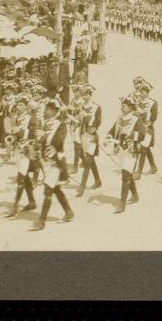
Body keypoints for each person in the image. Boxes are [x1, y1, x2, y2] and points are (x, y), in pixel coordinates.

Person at [31, 99, 75, 231]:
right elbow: (40, 142)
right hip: (46, 162)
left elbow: (59, 141)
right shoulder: (44, 124)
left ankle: (41, 220)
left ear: (55, 111)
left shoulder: (60, 125)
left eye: (49, 109)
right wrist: (37, 141)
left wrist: (44, 136)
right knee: (56, 188)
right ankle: (69, 212)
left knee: (48, 189)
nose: (46, 111)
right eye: (46, 108)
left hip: (57, 161)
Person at [110, 97, 142, 214]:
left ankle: (121, 204)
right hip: (121, 151)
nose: (121, 107)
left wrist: (129, 132)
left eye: (124, 106)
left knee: (125, 175)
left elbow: (142, 135)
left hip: (131, 151)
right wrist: (108, 138)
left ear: (130, 107)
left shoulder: (136, 120)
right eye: (122, 105)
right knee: (127, 173)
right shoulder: (119, 118)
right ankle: (135, 195)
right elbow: (113, 131)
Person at [73, 84, 103, 197]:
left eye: (86, 94)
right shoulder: (80, 106)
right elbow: (76, 118)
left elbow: (98, 121)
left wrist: (90, 121)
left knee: (87, 161)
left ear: (90, 95)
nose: (84, 96)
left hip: (92, 137)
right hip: (82, 135)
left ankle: (82, 186)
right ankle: (98, 181)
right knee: (90, 160)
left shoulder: (96, 107)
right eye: (83, 94)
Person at [131, 77, 159, 175]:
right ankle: (153, 167)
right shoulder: (137, 102)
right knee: (142, 149)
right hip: (138, 129)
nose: (141, 94)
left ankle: (138, 171)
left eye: (143, 92)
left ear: (147, 92)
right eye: (140, 91)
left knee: (143, 148)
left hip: (147, 129)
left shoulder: (153, 103)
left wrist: (142, 113)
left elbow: (154, 116)